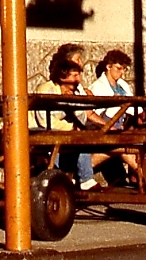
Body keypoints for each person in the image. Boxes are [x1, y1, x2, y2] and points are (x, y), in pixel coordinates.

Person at [33, 46, 107, 190]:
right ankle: (75, 178)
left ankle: (76, 178)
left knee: (80, 136)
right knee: (66, 137)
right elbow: (44, 120)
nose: (78, 80)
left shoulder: (74, 91)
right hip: (38, 129)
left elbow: (82, 113)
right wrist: (70, 127)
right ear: (63, 76)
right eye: (74, 76)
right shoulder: (47, 90)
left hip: (58, 130)